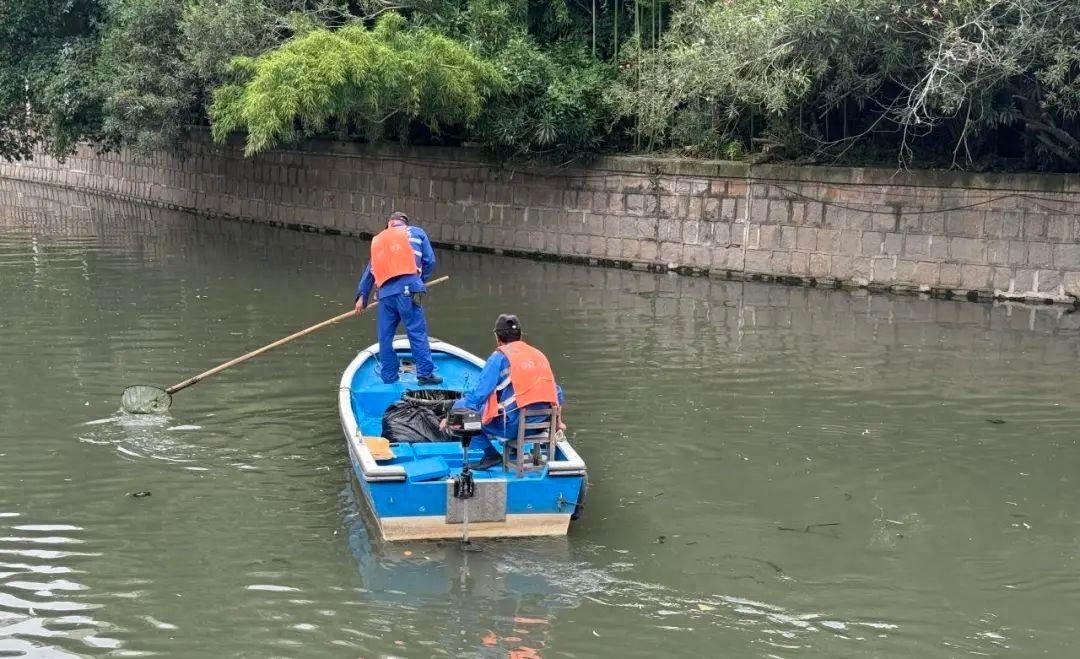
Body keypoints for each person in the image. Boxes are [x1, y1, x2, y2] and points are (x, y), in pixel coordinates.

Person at [446, 314, 565, 470]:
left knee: (460, 409)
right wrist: (558, 423)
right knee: (516, 401)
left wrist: (451, 416)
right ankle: (515, 449)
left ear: (497, 337)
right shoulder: (538, 354)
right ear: (520, 335)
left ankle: (491, 455)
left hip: (512, 426)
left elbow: (479, 395)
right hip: (542, 424)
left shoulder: (499, 357)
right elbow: (557, 393)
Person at [355, 212, 442, 385]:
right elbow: (430, 261)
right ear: (405, 223)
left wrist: (362, 298)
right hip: (408, 291)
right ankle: (425, 374)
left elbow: (370, 271)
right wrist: (419, 281)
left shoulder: (380, 240)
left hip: (385, 295)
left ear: (389, 224)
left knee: (385, 337)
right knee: (416, 331)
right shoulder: (417, 232)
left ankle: (389, 376)